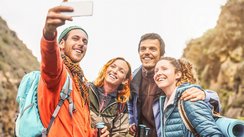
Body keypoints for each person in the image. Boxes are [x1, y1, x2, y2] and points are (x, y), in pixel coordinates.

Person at [128, 33, 221, 136]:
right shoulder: (133, 78)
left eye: (152, 49)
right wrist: (131, 120)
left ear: (161, 55)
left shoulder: (172, 79)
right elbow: (129, 101)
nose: (146, 52)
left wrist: (205, 95)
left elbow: (193, 94)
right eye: (143, 49)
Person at [38, 5, 109, 136]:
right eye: (75, 38)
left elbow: (78, 126)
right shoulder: (58, 73)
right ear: (61, 44)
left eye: (85, 41)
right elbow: (50, 57)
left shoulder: (79, 81)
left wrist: (94, 134)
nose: (82, 43)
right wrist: (49, 34)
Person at [152, 57, 223, 136]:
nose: (158, 73)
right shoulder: (164, 103)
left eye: (164, 69)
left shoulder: (189, 99)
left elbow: (213, 134)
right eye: (156, 71)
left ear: (178, 74)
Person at [88, 57, 132, 136]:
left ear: (125, 80)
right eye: (113, 66)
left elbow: (120, 133)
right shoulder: (86, 89)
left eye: (121, 71)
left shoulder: (121, 105)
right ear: (106, 69)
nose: (115, 71)